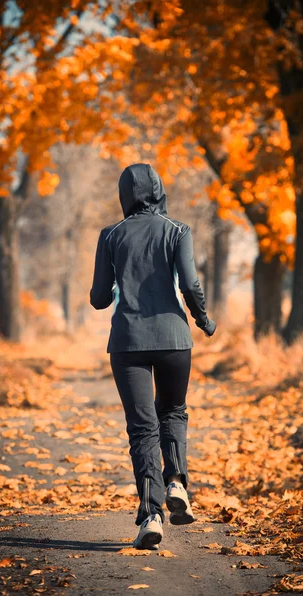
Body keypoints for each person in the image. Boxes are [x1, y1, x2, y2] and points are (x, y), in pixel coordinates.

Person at [90, 163, 216, 549]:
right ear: (159, 191)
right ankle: (176, 481)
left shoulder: (110, 235)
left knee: (142, 427)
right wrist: (203, 319)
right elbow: (190, 283)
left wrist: (115, 283)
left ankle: (152, 516)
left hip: (128, 342)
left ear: (124, 195)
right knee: (173, 411)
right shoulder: (178, 231)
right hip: (175, 339)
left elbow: (98, 298)